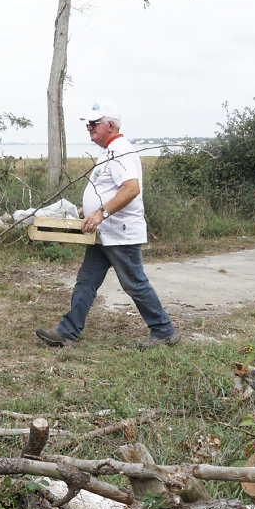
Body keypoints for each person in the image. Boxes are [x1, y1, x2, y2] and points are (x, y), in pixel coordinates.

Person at [36, 100, 181, 351]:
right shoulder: (108, 151)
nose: (89, 127)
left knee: (134, 283)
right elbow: (108, 189)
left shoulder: (121, 150)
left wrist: (101, 212)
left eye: (95, 123)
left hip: (119, 232)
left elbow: (131, 188)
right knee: (86, 280)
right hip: (103, 232)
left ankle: (164, 331)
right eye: (88, 124)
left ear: (111, 126)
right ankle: (68, 331)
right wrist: (87, 210)